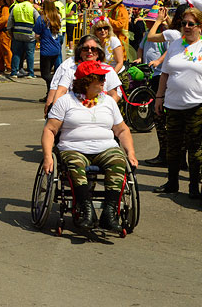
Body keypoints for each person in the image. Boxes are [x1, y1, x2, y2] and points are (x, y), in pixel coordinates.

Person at [41, 60, 138, 233]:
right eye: (99, 77)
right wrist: (48, 156)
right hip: (74, 148)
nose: (103, 80)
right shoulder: (66, 101)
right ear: (86, 81)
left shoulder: (108, 101)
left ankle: (109, 213)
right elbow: (50, 129)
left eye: (103, 77)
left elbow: (122, 130)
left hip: (105, 147)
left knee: (118, 161)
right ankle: (87, 211)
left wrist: (130, 153)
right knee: (74, 164)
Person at [154, 7, 202, 197]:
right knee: (173, 145)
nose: (186, 27)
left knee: (194, 145)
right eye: (183, 24)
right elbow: (165, 73)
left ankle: (194, 186)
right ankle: (172, 182)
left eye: (190, 24)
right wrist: (159, 97)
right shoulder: (175, 45)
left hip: (198, 105)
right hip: (172, 104)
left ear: (200, 26)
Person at [45, 34, 122, 114]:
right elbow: (60, 91)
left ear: (99, 52)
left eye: (93, 49)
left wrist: (104, 112)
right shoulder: (70, 68)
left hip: (100, 113)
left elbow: (114, 95)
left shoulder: (108, 70)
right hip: (74, 113)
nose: (89, 51)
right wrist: (55, 111)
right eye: (85, 49)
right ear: (80, 52)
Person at [135, 6, 168, 166]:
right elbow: (141, 48)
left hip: (160, 74)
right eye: (147, 21)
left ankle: (166, 154)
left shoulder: (165, 35)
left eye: (151, 21)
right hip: (149, 72)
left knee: (160, 113)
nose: (148, 24)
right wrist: (139, 58)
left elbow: (168, 51)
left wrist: (158, 61)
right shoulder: (147, 34)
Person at [34, 0, 63, 102]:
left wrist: (39, 39)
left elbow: (37, 35)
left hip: (46, 49)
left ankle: (57, 88)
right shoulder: (57, 17)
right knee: (52, 72)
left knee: (45, 74)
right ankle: (49, 94)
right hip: (56, 48)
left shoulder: (41, 19)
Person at [8, 0, 39, 78]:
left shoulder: (16, 7)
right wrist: (37, 34)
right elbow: (38, 21)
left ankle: (14, 72)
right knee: (30, 54)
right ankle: (31, 73)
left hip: (17, 34)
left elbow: (10, 21)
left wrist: (10, 32)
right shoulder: (32, 8)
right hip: (29, 35)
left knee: (16, 53)